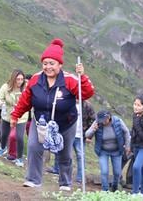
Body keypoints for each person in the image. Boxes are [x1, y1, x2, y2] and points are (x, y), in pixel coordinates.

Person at [10, 38, 95, 191]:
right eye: (45, 63)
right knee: (34, 147)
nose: (48, 67)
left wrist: (82, 76)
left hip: (66, 123)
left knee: (64, 154)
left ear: (60, 65)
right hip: (41, 122)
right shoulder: (35, 79)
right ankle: (33, 179)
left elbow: (87, 93)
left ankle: (65, 182)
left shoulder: (70, 80)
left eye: (52, 63)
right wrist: (15, 115)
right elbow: (25, 100)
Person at [46, 100, 96, 183]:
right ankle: (57, 169)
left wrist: (88, 134)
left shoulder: (87, 105)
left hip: (80, 135)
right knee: (60, 151)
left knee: (80, 156)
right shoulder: (67, 101)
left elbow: (93, 120)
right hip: (67, 132)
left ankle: (80, 177)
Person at [85, 110, 131, 192]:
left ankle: (114, 187)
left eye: (103, 120)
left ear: (109, 117)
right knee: (104, 171)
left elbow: (126, 132)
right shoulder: (97, 123)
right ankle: (104, 190)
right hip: (103, 151)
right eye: (100, 120)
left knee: (117, 173)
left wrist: (127, 146)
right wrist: (93, 130)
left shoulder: (118, 121)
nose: (102, 122)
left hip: (117, 150)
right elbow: (87, 135)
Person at [0, 69, 28, 167]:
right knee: (4, 134)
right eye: (18, 79)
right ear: (13, 79)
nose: (20, 82)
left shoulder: (26, 88)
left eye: (22, 79)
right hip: (8, 115)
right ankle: (3, 148)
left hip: (21, 116)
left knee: (19, 137)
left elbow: (30, 101)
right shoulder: (5, 87)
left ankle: (19, 158)